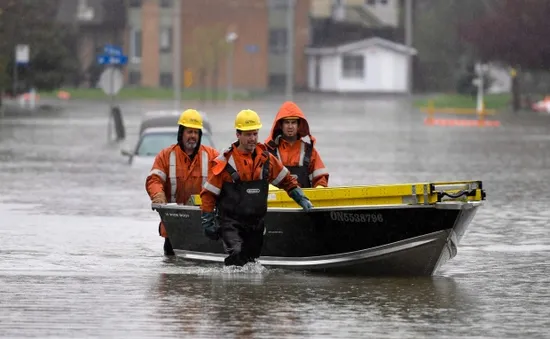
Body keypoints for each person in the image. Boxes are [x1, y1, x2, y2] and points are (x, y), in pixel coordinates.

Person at [200, 109, 314, 267]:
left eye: (255, 134)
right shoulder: (225, 162)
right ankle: (228, 287)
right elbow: (208, 194)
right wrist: (207, 221)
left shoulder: (266, 159)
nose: (252, 139)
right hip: (230, 223)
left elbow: (287, 181)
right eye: (248, 135)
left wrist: (301, 198)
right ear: (238, 135)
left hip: (256, 224)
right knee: (237, 254)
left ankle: (244, 289)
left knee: (251, 263)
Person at [146, 109, 219, 256]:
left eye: (196, 133)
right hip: (174, 230)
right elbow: (154, 179)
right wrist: (158, 194)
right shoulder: (165, 156)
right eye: (189, 132)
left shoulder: (212, 156)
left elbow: (225, 180)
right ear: (181, 133)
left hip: (204, 227)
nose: (193, 136)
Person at [264, 101, 329, 188]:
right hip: (277, 199)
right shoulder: (269, 151)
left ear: (299, 125)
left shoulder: (309, 152)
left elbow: (321, 177)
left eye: (293, 122)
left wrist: (320, 187)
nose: (290, 126)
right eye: (287, 122)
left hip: (304, 200)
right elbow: (259, 178)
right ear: (281, 125)